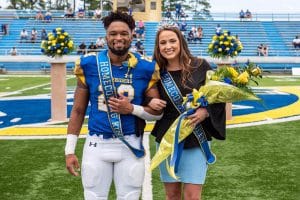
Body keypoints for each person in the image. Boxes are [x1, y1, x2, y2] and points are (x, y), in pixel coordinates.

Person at [65, 11, 163, 200]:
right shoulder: (90, 64)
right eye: (113, 33)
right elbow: (77, 110)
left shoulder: (145, 67)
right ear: (106, 36)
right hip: (96, 144)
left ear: (132, 34)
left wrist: (132, 109)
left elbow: (157, 113)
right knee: (93, 196)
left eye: (124, 33)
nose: (119, 38)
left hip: (130, 144)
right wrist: (69, 150)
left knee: (130, 196)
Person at [149, 25, 226, 200]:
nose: (168, 46)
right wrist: (150, 100)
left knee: (193, 196)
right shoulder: (155, 72)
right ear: (158, 47)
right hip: (167, 138)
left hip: (196, 136)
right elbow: (145, 97)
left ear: (181, 42)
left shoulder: (200, 65)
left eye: (172, 41)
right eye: (163, 42)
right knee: (172, 195)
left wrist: (205, 112)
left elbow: (218, 96)